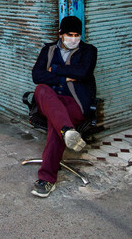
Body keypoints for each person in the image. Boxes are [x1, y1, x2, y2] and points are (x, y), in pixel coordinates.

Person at [30, 15, 97, 198]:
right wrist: (66, 77)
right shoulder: (48, 50)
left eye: (77, 35)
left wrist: (56, 70)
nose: (74, 38)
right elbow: (37, 75)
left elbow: (83, 72)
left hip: (74, 102)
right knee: (41, 89)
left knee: (56, 124)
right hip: (49, 100)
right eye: (70, 34)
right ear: (61, 34)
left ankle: (47, 179)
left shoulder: (89, 51)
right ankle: (67, 131)